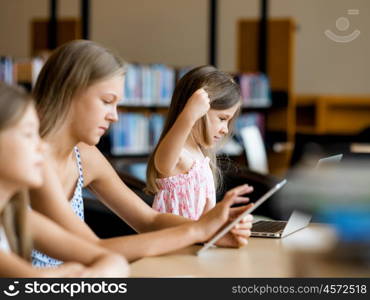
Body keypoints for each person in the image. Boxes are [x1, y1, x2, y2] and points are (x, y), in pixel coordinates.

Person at [30, 40, 254, 267]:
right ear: (69, 92)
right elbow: (94, 249)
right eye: (107, 101)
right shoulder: (31, 161)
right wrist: (197, 230)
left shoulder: (85, 156)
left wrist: (211, 229)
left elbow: (149, 219)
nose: (114, 116)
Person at [0, 82, 129, 277]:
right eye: (28, 134)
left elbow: (113, 259)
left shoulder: (16, 215)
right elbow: (35, 281)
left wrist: (85, 275)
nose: (42, 147)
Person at [146, 65, 254, 220]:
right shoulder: (178, 155)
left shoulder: (200, 156)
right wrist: (189, 113)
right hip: (177, 241)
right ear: (197, 110)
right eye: (222, 119)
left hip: (199, 240)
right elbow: (162, 162)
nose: (225, 129)